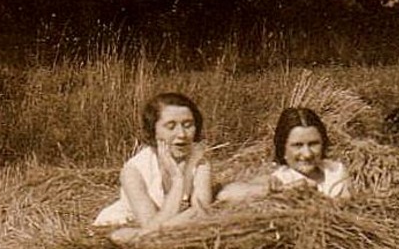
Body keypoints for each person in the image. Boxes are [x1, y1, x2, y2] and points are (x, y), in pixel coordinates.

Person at [92, 92, 214, 240]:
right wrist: (178, 180)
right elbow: (151, 229)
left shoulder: (199, 161)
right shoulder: (133, 171)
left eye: (188, 125)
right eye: (171, 126)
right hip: (126, 226)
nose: (182, 134)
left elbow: (201, 210)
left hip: (165, 231)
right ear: (153, 131)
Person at [218, 106, 350, 202]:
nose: (307, 154)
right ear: (284, 149)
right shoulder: (281, 178)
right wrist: (281, 191)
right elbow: (225, 194)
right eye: (297, 145)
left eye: (313, 144)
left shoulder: (336, 171)